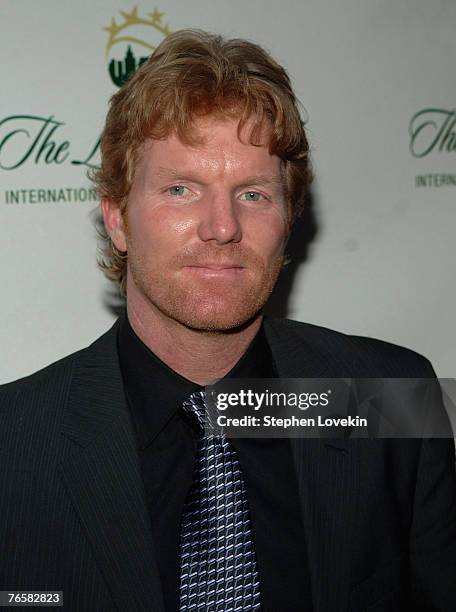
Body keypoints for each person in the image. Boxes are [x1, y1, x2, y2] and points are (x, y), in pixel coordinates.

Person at [1, 29, 455, 612]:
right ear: (117, 219)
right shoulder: (14, 448)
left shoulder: (394, 398)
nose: (222, 227)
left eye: (254, 194)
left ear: (289, 216)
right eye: (181, 188)